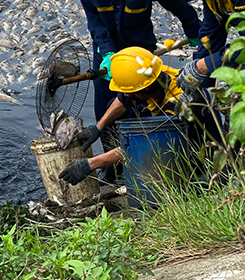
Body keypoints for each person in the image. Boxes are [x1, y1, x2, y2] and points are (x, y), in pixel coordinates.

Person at [78, 0, 203, 181]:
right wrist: (107, 53)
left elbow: (180, 7)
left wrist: (197, 35)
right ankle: (113, 171)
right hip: (105, 54)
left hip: (139, 54)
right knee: (105, 110)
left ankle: (143, 162)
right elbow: (94, 20)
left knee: (142, 114)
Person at [59, 47, 221, 186]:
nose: (126, 96)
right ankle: (115, 168)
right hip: (166, 130)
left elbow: (146, 143)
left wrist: (91, 164)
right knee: (112, 107)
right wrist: (97, 128)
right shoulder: (154, 75)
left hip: (197, 153)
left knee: (160, 154)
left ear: (140, 93)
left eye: (130, 93)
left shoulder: (177, 103)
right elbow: (121, 101)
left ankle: (194, 177)